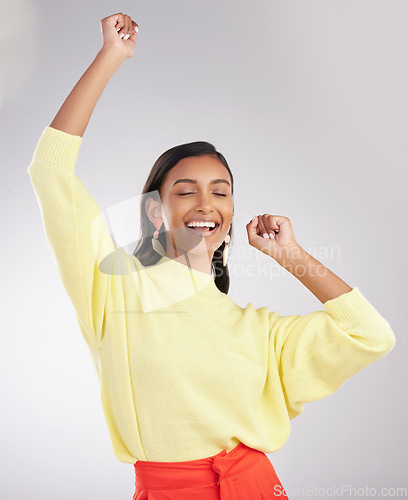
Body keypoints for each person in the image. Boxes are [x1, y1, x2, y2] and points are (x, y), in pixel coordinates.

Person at [27, 12, 396, 500]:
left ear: (231, 211)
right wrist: (110, 58)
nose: (206, 204)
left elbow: (371, 335)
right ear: (156, 211)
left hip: (256, 487)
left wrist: (291, 255)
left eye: (220, 192)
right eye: (187, 191)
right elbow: (50, 171)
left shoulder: (261, 332)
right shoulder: (115, 290)